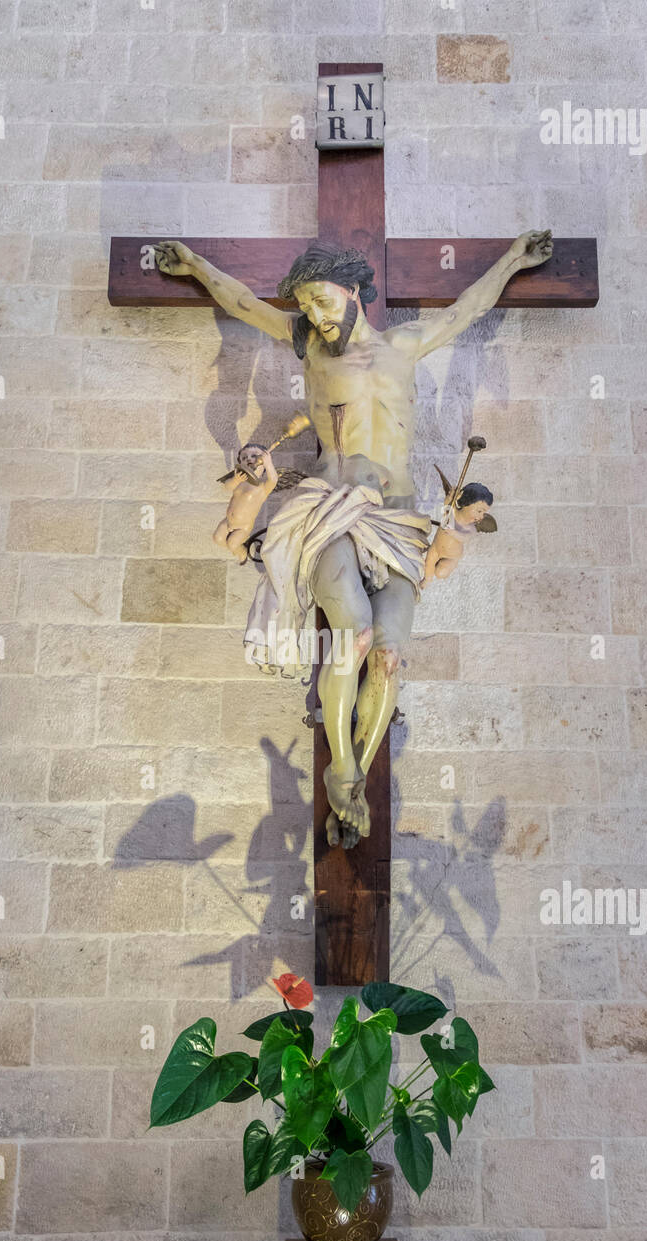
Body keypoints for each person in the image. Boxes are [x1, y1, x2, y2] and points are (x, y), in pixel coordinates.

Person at [155, 232, 553, 846]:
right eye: (306, 304)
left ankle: (353, 779)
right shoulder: (309, 349)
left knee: (389, 657)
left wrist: (513, 260)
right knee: (354, 634)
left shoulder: (404, 347)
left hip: (397, 521)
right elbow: (240, 303)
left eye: (322, 300)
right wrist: (196, 266)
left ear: (354, 291)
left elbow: (467, 309)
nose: (314, 314)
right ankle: (341, 767)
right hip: (328, 508)